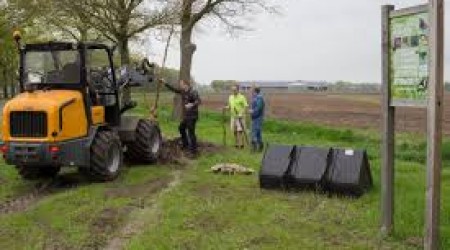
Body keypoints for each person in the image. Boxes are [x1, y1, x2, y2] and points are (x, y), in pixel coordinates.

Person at [164, 79, 201, 157]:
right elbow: (175, 90)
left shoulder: (193, 91)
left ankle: (193, 152)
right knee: (181, 128)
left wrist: (191, 104)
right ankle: (185, 144)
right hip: (187, 116)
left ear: (186, 84)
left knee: (191, 133)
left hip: (192, 116)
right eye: (180, 84)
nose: (180, 85)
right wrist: (165, 83)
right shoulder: (184, 91)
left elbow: (198, 101)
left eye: (181, 84)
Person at [249, 86, 265, 152]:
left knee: (253, 132)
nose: (251, 92)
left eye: (252, 91)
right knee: (258, 133)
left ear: (255, 91)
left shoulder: (259, 98)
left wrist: (252, 111)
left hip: (257, 118)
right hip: (256, 117)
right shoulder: (256, 98)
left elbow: (258, 108)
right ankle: (260, 147)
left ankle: (254, 148)